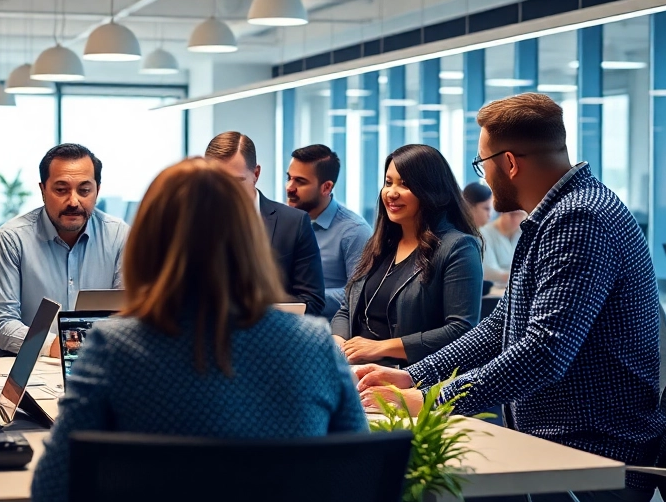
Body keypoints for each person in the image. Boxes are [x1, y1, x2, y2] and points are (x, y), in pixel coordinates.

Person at [355, 92, 666, 502]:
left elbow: (543, 352)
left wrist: (432, 400)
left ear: (510, 163)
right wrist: (415, 377)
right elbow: (502, 327)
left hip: (593, 468)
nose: (482, 176)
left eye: (482, 164)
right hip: (558, 451)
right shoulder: (555, 217)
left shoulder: (579, 220)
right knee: (402, 495)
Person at [31, 157, 367, 502]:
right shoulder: (314, 345)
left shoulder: (114, 348)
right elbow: (357, 480)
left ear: (148, 241)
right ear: (250, 239)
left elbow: (51, 497)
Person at [331, 144, 483, 368]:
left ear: (431, 190)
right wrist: (338, 342)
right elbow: (347, 308)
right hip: (355, 373)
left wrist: (381, 347)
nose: (391, 193)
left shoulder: (458, 247)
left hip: (410, 379)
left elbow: (460, 330)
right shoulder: (379, 244)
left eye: (405, 184)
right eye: (388, 182)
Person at [0, 143, 129, 355]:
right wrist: (63, 346)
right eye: (61, 190)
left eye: (84, 190)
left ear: (97, 190)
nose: (73, 201)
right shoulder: (12, 238)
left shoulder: (119, 236)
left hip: (101, 362)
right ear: (43, 190)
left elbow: (128, 314)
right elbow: (2, 324)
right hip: (34, 366)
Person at [206, 131, 325, 316]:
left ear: (256, 174)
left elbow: (312, 301)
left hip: (273, 338)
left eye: (236, 182)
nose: (225, 192)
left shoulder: (293, 223)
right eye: (217, 182)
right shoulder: (190, 222)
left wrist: (251, 301)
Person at [286, 144, 372, 319]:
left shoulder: (354, 231)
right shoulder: (282, 221)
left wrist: (298, 302)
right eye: (289, 178)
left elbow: (359, 294)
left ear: (326, 187)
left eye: (300, 181)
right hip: (282, 325)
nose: (289, 187)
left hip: (328, 333)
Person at [478, 209, 526, 286]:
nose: (516, 219)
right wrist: (521, 276)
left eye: (520, 215)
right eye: (512, 215)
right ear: (502, 213)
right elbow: (489, 271)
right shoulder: (485, 233)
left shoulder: (522, 232)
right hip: (494, 289)